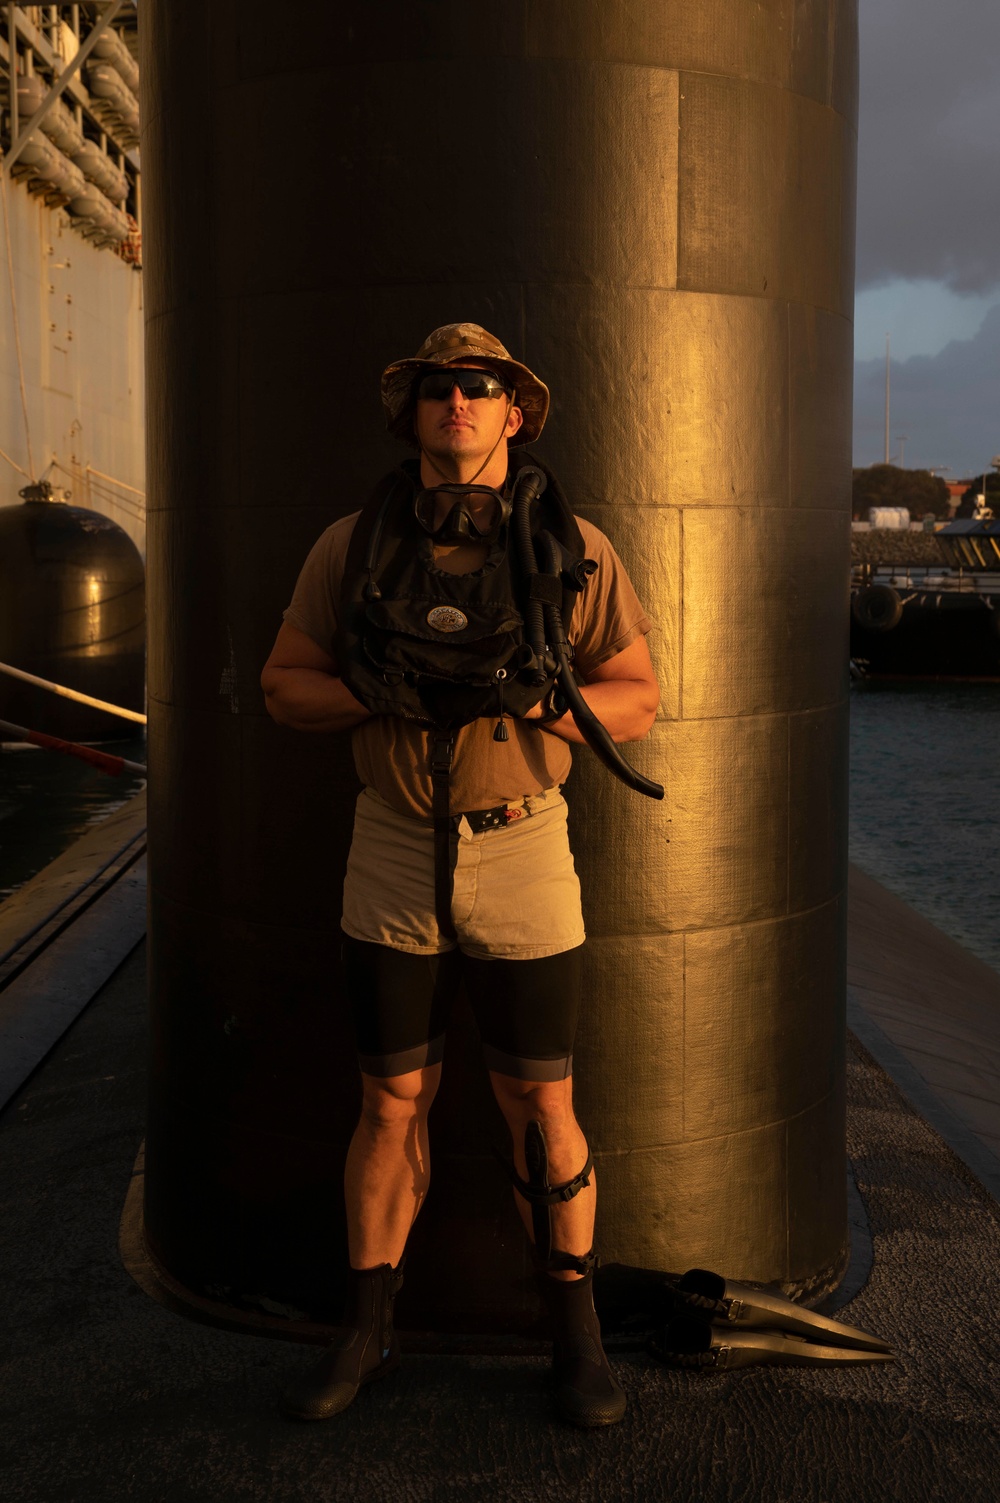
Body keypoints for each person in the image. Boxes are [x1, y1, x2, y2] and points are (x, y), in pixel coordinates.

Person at [261, 322, 659, 1428]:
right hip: (390, 846)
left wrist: (538, 703)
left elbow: (635, 695)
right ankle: (367, 1326)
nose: (458, 402)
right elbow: (283, 687)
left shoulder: (573, 548)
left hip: (522, 843)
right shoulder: (351, 546)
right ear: (415, 412)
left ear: (513, 412)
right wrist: (378, 693)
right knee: (388, 1102)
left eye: (479, 387)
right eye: (438, 387)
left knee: (540, 1097)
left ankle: (572, 1334)